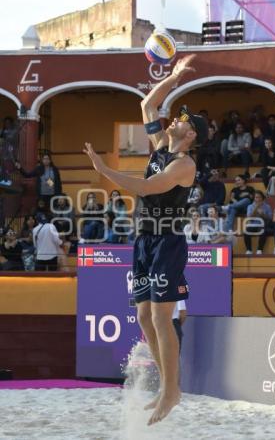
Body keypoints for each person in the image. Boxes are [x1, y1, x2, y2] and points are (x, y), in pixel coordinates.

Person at [83, 54, 207, 426]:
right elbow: (147, 103)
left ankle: (172, 389)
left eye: (181, 120)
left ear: (191, 135)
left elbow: (149, 187)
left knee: (159, 315)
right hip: (144, 240)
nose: (172, 119)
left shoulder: (184, 165)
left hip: (168, 241)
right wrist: (174, 76)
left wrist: (105, 171)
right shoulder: (160, 146)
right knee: (142, 314)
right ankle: (166, 385)